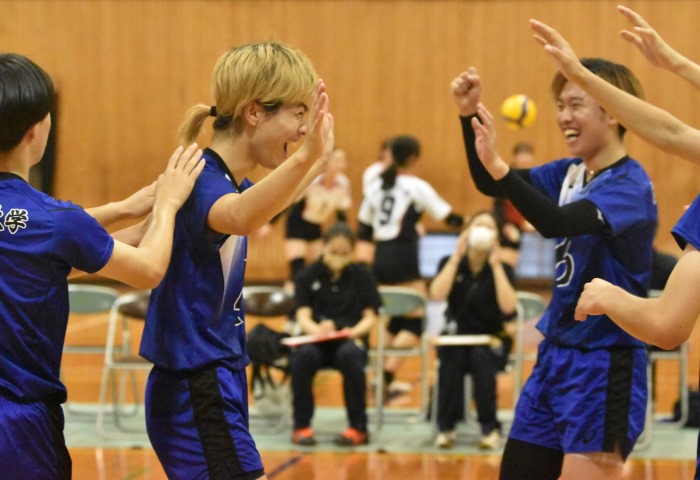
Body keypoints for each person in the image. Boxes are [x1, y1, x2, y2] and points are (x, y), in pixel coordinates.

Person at [0, 53, 204, 480]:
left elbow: (45, 249)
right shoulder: (52, 220)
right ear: (37, 130)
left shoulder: (48, 224)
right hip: (18, 428)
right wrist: (167, 206)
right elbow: (148, 269)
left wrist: (126, 209)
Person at [451, 55, 657, 478]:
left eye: (576, 104)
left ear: (613, 111)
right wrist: (468, 117)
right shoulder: (570, 173)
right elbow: (491, 182)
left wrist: (499, 166)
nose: (564, 116)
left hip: (604, 362)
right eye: (560, 106)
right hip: (555, 355)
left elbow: (555, 222)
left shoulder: (630, 185)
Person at [139, 41, 331, 480]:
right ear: (254, 112)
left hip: (212, 380)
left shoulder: (226, 180)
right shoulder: (204, 182)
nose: (304, 128)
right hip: (197, 385)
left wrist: (313, 166)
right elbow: (242, 216)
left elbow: (258, 205)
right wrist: (307, 158)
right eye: (298, 113)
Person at [530, 8, 700, 478]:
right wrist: (676, 64)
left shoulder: (628, 184)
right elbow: (671, 131)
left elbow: (667, 327)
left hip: (604, 359)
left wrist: (610, 297)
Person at [356, 134, 465, 400]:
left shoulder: (376, 186)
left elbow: (364, 228)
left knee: (398, 317)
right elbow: (448, 217)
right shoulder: (415, 186)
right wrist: (472, 223)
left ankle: (378, 376)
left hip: (380, 256)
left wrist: (363, 268)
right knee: (418, 319)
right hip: (403, 255)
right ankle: (385, 374)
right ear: (413, 158)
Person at [289, 222, 382, 447]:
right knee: (303, 357)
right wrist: (319, 331)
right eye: (334, 251)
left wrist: (352, 332)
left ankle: (358, 427)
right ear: (324, 247)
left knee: (349, 356)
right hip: (317, 340)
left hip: (350, 339)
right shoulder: (307, 275)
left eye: (344, 252)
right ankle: (301, 426)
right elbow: (302, 315)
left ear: (352, 251)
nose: (338, 257)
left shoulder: (363, 276)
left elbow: (371, 316)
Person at [429, 211, 517, 450]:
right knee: (452, 357)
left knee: (480, 357)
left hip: (491, 340)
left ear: (496, 237)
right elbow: (436, 294)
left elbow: (509, 307)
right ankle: (446, 427)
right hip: (457, 338)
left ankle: (490, 428)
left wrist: (496, 265)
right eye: (479, 225)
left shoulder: (503, 269)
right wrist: (456, 257)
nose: (483, 231)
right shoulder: (449, 262)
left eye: (489, 228)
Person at [284, 146, 352, 291]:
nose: (342, 163)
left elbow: (341, 214)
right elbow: (289, 203)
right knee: (297, 268)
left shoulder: (343, 183)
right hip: (297, 223)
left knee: (318, 267)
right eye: (337, 159)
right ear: (328, 160)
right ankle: (293, 299)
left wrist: (345, 236)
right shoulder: (312, 179)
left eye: (343, 159)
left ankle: (313, 296)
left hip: (316, 226)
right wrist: (269, 224)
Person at [493, 142, 537, 267]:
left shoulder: (535, 178)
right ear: (515, 158)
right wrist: (505, 226)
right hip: (509, 231)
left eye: (528, 158)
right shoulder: (504, 177)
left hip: (530, 230)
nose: (526, 162)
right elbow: (498, 208)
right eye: (523, 157)